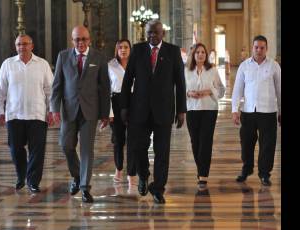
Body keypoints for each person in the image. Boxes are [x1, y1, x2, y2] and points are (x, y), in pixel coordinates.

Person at [120, 19, 187, 204]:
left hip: (164, 111)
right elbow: (127, 80)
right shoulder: (138, 49)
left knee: (162, 151)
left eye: (155, 32)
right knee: (138, 147)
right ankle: (143, 174)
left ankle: (158, 188)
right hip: (139, 110)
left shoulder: (173, 51)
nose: (152, 35)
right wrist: (124, 106)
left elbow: (180, 83)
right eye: (149, 32)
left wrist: (182, 110)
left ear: (162, 33)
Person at [50, 25, 110, 203]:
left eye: (84, 39)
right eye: (77, 39)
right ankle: (76, 176)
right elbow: (57, 85)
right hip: (68, 110)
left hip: (90, 111)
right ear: (72, 40)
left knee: (86, 151)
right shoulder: (63, 56)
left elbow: (105, 88)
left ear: (89, 40)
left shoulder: (99, 57)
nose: (81, 42)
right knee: (66, 145)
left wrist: (105, 113)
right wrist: (54, 109)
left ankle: (84, 187)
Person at [0, 34, 53, 193]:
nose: (22, 47)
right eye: (19, 44)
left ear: (32, 46)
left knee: (37, 151)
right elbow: (0, 90)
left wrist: (51, 110)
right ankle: (21, 176)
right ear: (16, 46)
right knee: (15, 149)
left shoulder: (42, 64)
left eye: (25, 44)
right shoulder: (8, 64)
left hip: (37, 115)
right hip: (14, 115)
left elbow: (50, 90)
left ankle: (33, 181)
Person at [231, 35, 281, 186]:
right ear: (252, 48)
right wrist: (235, 110)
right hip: (248, 112)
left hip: (268, 112)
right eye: (256, 47)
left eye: (262, 48)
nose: (259, 50)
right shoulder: (244, 66)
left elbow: (280, 90)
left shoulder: (274, 66)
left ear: (267, 49)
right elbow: (237, 89)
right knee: (246, 143)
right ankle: (246, 170)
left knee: (268, 145)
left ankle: (265, 174)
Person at [185, 43, 225, 189]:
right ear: (193, 55)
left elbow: (221, 90)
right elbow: (179, 90)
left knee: (206, 142)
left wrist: (210, 91)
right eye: (198, 52)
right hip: (192, 110)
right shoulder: (186, 71)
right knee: (195, 142)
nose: (201, 54)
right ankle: (200, 169)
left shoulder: (212, 70)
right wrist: (189, 93)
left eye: (203, 52)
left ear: (206, 55)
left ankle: (203, 176)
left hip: (209, 109)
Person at [108, 39, 137, 186]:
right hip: (116, 102)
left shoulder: (136, 64)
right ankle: (119, 168)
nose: (123, 50)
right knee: (118, 139)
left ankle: (132, 173)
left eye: (126, 47)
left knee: (133, 139)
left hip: (133, 102)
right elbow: (107, 90)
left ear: (130, 49)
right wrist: (110, 113)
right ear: (116, 50)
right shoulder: (110, 65)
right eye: (120, 47)